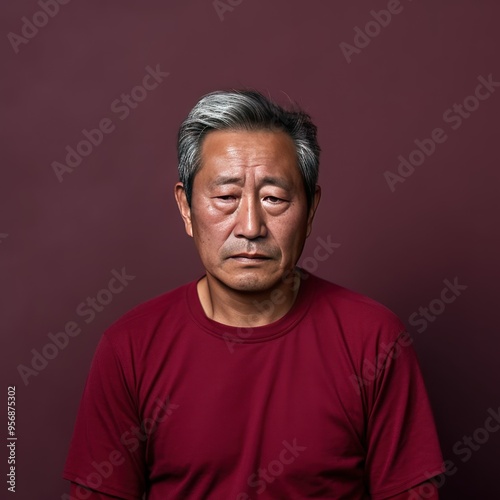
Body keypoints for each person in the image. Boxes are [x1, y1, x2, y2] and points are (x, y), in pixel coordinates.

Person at [63, 90, 444, 499]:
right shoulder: (130, 349)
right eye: (226, 197)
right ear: (186, 208)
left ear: (311, 210)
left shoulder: (374, 340)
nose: (250, 226)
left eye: (274, 198)